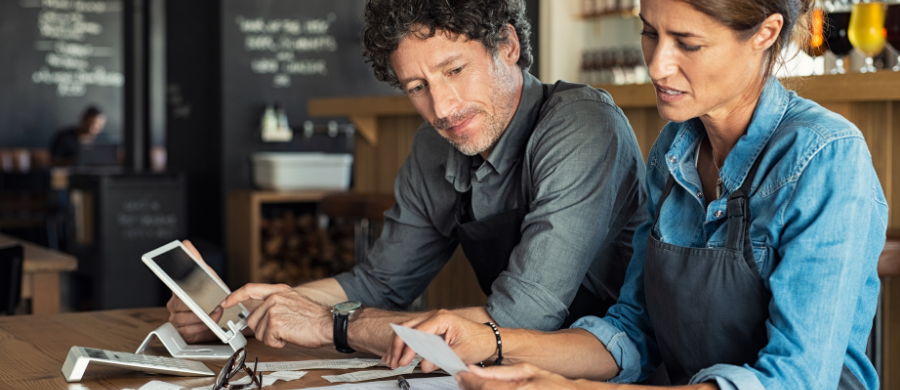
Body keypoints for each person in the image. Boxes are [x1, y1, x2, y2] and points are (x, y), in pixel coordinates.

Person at [385, 0, 887, 389]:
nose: (658, 65)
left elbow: (796, 380)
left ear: (765, 34)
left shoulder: (825, 157)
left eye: (686, 43)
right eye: (650, 32)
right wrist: (491, 342)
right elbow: (631, 331)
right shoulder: (675, 148)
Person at [167, 0, 647, 356]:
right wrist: (240, 312)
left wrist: (331, 326)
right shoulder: (434, 146)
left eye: (455, 70)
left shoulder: (582, 125)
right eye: (417, 88)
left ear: (508, 45)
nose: (442, 108)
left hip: (616, 371)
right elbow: (379, 282)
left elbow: (520, 320)